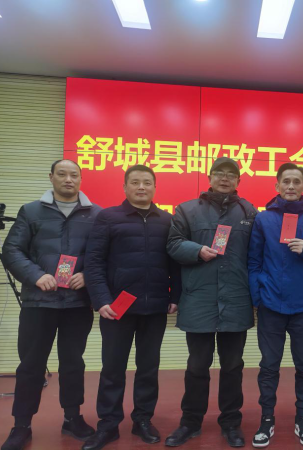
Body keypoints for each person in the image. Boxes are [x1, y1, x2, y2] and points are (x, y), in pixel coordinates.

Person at [1, 159, 101, 450]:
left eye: (74, 175)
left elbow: (104, 254)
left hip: (77, 304)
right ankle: (21, 425)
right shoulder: (31, 211)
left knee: (73, 363)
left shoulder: (96, 214)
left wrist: (88, 275)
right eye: (62, 174)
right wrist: (36, 275)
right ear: (51, 177)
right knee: (31, 365)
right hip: (38, 302)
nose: (69, 179)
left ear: (80, 179)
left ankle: (72, 418)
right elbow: (12, 250)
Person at [82, 164, 180, 450]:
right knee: (113, 368)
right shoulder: (108, 217)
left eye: (147, 182)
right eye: (135, 182)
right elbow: (94, 262)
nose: (141, 187)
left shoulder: (167, 220)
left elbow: (175, 264)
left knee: (148, 368)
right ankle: (108, 425)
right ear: (125, 187)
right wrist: (101, 300)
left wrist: (176, 296)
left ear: (155, 187)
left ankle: (143, 420)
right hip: (117, 308)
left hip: (155, 307)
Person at [165, 157, 258, 448]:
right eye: (220, 173)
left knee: (233, 366)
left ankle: (230, 422)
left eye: (231, 174)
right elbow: (173, 244)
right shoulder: (187, 210)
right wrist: (197, 250)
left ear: (238, 180)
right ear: (210, 177)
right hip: (199, 300)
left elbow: (259, 254)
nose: (225, 178)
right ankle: (190, 422)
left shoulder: (250, 212)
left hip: (236, 299)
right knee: (196, 366)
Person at [248, 162, 303, 448]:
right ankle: (267, 420)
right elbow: (254, 262)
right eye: (286, 181)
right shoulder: (263, 219)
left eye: (297, 181)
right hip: (271, 306)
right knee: (268, 366)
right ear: (277, 185)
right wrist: (258, 297)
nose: (291, 186)